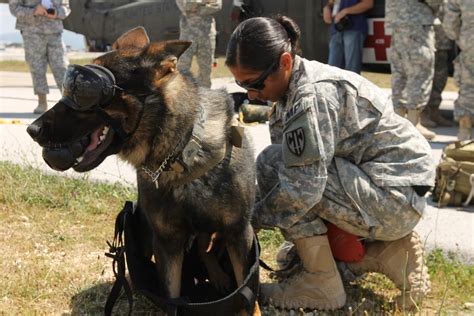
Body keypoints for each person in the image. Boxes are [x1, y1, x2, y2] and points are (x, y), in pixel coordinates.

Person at [225, 15, 435, 310]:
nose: (250, 94)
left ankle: (321, 285)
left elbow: (303, 190)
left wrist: (246, 222)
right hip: (384, 190)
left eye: (255, 83)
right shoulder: (292, 88)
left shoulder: (312, 96)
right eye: (241, 84)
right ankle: (389, 253)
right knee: (290, 255)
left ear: (285, 62)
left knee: (277, 169)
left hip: (394, 198)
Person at [385, 0, 443, 140]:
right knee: (420, 72)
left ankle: (397, 123)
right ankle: (413, 123)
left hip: (398, 22)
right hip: (417, 23)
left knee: (400, 72)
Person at [9, 0, 70, 114]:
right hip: (32, 33)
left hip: (54, 32)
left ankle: (68, 101)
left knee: (61, 66)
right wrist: (34, 11)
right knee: (37, 68)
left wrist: (56, 12)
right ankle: (42, 101)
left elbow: (66, 8)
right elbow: (14, 8)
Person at [443, 0, 474, 140]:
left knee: (469, 85)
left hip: (470, 42)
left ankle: (464, 132)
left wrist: (462, 39)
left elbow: (450, 22)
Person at [421, 1, 454, 128]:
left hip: (443, 34)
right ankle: (422, 113)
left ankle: (434, 111)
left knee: (440, 75)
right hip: (428, 31)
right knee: (425, 75)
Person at [175, 0, 222, 88]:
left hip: (207, 35)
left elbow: (217, 6)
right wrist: (204, 2)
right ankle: (181, 96)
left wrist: (195, 6)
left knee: (206, 71)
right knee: (182, 69)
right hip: (188, 35)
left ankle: (204, 97)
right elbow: (185, 7)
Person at [323, 0, 373, 74]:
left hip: (354, 29)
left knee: (352, 70)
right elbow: (331, 3)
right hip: (336, 30)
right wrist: (327, 8)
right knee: (332, 70)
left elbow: (368, 3)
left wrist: (345, 11)